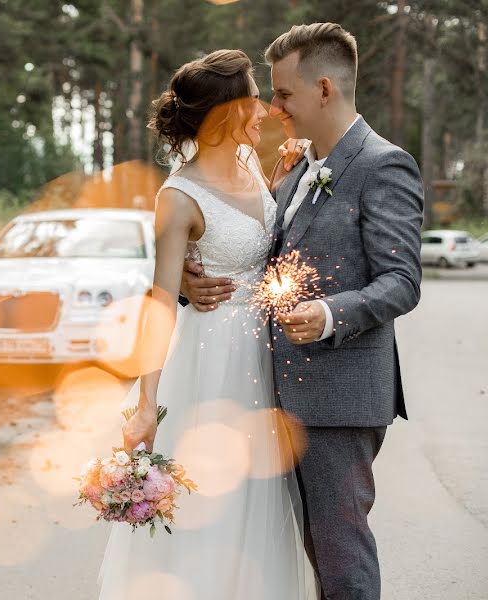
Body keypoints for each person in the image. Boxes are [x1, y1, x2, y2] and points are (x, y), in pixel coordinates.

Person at [179, 23, 424, 600]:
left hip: (339, 396)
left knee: (340, 553)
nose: (273, 105)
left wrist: (331, 313)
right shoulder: (299, 168)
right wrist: (192, 278)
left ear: (323, 89)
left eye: (283, 94)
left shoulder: (382, 165)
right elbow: (258, 257)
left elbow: (402, 281)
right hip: (278, 391)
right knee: (310, 548)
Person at [99, 48, 315, 600]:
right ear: (225, 113)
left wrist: (277, 177)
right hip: (210, 363)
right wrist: (147, 404)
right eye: (252, 101)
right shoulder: (177, 198)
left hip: (263, 360)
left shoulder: (251, 169)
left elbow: (255, 243)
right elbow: (160, 302)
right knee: (211, 504)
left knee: (258, 503)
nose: (265, 110)